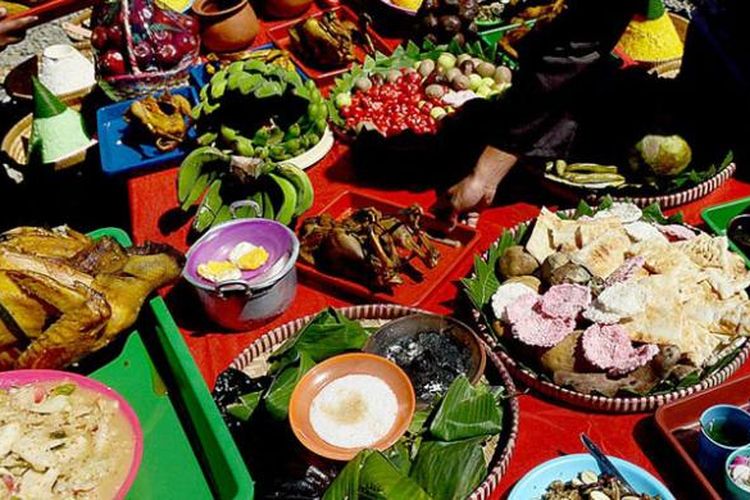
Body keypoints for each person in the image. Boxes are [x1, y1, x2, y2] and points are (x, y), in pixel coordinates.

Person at [439, 0, 750, 225]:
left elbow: (580, 41)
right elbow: (588, 28)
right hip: (721, 31)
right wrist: (490, 169)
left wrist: (488, 170)